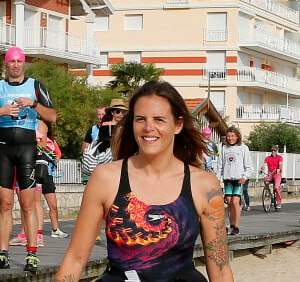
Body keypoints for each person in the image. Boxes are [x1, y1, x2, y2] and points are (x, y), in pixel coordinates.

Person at [55, 80, 233, 282]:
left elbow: (220, 267)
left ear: (178, 125)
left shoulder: (204, 185)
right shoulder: (106, 178)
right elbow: (75, 258)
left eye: (159, 119)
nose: (149, 127)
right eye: (140, 119)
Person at [0, 46, 56, 273]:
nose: (15, 65)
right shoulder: (0, 86)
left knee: (27, 204)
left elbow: (52, 116)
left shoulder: (35, 85)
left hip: (26, 149)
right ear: (6, 64)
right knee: (4, 204)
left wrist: (32, 103)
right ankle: (2, 253)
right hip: (3, 149)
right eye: (11, 61)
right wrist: (2, 112)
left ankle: (32, 254)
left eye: (19, 61)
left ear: (24, 64)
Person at [10, 120, 68, 247]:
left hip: (32, 164)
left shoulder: (39, 123)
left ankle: (38, 235)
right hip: (20, 164)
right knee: (23, 200)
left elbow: (42, 144)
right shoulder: (17, 121)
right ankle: (24, 233)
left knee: (34, 200)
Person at [217, 126, 254, 235]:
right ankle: (231, 225)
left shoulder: (243, 148)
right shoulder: (224, 149)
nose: (230, 138)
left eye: (232, 136)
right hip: (228, 179)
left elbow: (249, 167)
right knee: (229, 202)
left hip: (239, 180)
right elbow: (220, 166)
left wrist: (244, 177)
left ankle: (236, 226)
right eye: (228, 136)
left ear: (237, 136)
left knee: (235, 201)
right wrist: (218, 179)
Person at [260, 144, 283, 209]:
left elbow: (280, 165)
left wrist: (279, 169)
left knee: (276, 187)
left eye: (274, 150)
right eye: (272, 150)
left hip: (277, 174)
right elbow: (264, 165)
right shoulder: (267, 158)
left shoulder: (279, 157)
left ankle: (279, 201)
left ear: (277, 151)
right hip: (270, 174)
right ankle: (268, 192)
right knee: (265, 179)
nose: (273, 152)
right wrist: (261, 169)